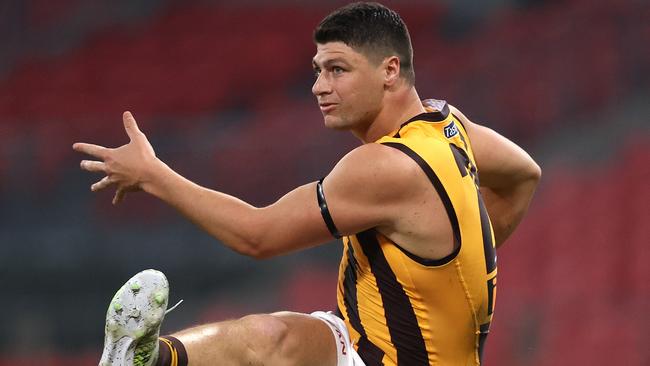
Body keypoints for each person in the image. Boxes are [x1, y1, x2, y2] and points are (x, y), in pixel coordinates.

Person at [74, 2, 541, 365]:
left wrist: (154, 175)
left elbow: (257, 235)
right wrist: (467, 254)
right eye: (317, 70)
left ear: (390, 71)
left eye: (337, 69)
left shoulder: (385, 167)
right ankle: (145, 358)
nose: (319, 86)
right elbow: (524, 175)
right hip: (366, 344)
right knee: (274, 337)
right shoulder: (446, 123)